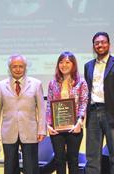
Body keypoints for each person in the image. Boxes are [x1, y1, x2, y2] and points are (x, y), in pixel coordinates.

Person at [0, 54, 46, 174]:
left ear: (25, 67)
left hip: (30, 130)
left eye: (21, 66)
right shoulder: (1, 86)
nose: (17, 69)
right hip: (9, 131)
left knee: (31, 167)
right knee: (10, 167)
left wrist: (42, 130)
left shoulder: (36, 84)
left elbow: (42, 109)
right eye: (14, 66)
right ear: (9, 68)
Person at [46, 51, 88, 174]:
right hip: (56, 128)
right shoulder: (53, 83)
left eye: (67, 62)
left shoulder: (81, 83)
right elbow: (49, 104)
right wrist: (48, 125)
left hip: (75, 127)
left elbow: (83, 102)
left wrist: (79, 122)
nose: (64, 65)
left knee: (73, 160)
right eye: (61, 62)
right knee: (59, 161)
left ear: (73, 64)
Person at [84, 32, 114, 174]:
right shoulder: (88, 66)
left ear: (109, 44)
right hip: (93, 113)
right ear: (93, 46)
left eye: (103, 42)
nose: (100, 45)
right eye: (97, 43)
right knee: (92, 156)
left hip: (111, 113)